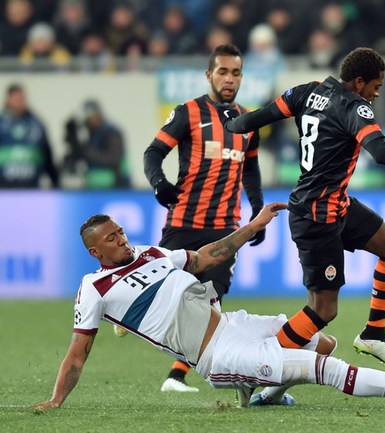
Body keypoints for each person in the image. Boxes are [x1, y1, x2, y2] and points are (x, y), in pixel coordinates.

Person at [32, 205, 385, 409]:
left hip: (233, 325)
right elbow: (78, 353)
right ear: (95, 252)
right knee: (321, 367)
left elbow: (207, 257)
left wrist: (253, 225)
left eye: (121, 232)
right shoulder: (94, 288)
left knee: (324, 343)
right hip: (217, 355)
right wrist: (56, 400)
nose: (122, 240)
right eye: (111, 239)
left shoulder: (150, 253)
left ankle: (264, 394)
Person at [222, 47, 385, 376]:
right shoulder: (354, 107)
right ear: (358, 82)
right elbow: (381, 152)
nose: (377, 93)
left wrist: (231, 124)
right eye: (376, 86)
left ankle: (373, 334)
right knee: (323, 311)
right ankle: (259, 367)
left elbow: (257, 119)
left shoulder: (306, 91)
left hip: (336, 205)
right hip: (316, 217)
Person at [143, 43, 264, 392]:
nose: (229, 79)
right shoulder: (188, 113)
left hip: (225, 227)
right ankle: (128, 314)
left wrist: (256, 209)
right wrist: (159, 183)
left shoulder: (248, 121)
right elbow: (154, 152)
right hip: (183, 222)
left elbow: (250, 167)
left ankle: (176, 375)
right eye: (223, 72)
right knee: (164, 295)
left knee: (212, 299)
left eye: (236, 73)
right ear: (209, 75)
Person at [0, 83, 60, 188]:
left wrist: (55, 180)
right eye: (16, 98)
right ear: (8, 99)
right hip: (4, 186)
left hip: (31, 185)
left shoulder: (36, 123)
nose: (20, 102)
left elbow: (47, 153)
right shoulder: (1, 123)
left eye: (22, 98)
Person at [63, 100, 131, 189]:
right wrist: (74, 141)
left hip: (115, 186)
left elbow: (113, 159)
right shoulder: (92, 134)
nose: (87, 122)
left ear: (98, 115)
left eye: (89, 118)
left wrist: (85, 151)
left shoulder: (111, 133)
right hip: (95, 186)